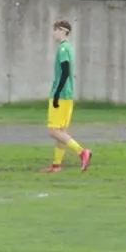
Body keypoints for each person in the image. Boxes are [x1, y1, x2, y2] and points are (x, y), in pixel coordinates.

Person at [41, 19, 92, 174]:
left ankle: (82, 152)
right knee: (61, 131)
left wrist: (56, 93)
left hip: (61, 94)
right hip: (68, 95)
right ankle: (56, 165)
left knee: (53, 130)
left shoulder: (63, 49)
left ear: (61, 30)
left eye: (54, 30)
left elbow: (64, 71)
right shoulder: (69, 47)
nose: (53, 33)